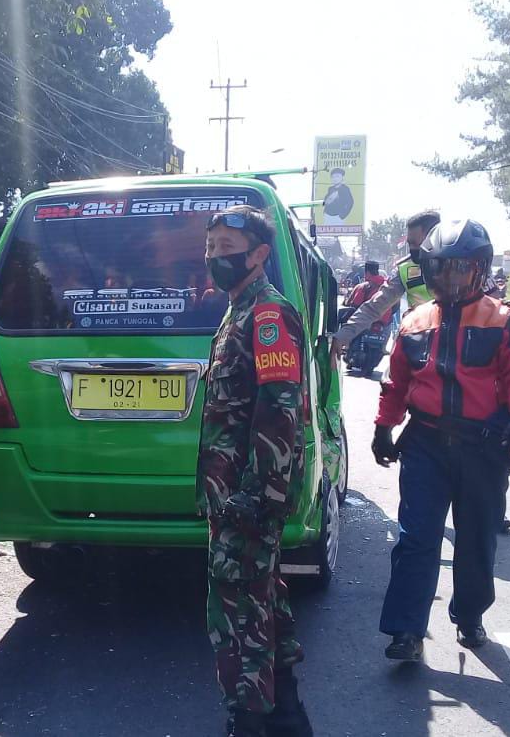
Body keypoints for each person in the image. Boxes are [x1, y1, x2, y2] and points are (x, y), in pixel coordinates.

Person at [372, 220, 510, 661]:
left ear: (479, 269)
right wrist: (382, 427)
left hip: (483, 449)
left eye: (461, 269)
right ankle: (406, 632)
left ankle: (469, 616)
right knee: (416, 538)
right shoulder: (414, 321)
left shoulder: (503, 319)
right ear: (429, 270)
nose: (452, 278)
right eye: (443, 269)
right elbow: (396, 382)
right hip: (425, 444)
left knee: (476, 538)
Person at [197, 206, 313, 737]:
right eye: (212, 247)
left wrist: (258, 491)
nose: (216, 256)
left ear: (260, 254)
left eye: (228, 247)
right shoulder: (236, 311)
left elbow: (280, 405)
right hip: (232, 493)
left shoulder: (266, 315)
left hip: (248, 495)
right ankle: (287, 715)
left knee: (236, 603)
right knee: (260, 592)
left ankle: (248, 719)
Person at [332, 210, 441, 355]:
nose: (412, 249)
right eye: (410, 244)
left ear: (434, 237)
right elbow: (375, 306)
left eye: (416, 244)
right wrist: (344, 335)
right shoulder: (404, 269)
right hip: (420, 347)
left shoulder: (461, 267)